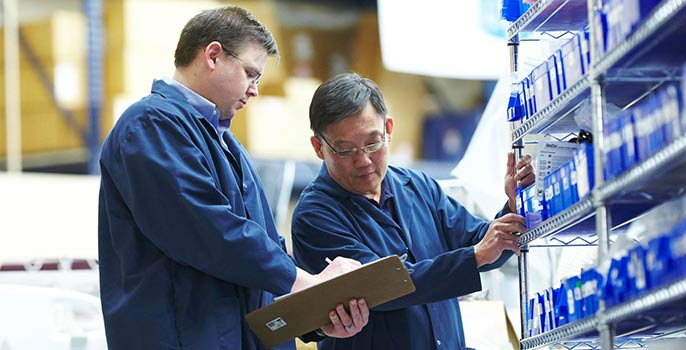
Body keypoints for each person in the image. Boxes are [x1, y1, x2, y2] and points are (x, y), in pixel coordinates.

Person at [98, 7, 369, 350]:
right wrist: (302, 282)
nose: (255, 90)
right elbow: (209, 232)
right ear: (213, 55)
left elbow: (264, 251)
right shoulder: (150, 125)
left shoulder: (229, 146)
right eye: (250, 74)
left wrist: (313, 319)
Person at [291, 72, 535, 350]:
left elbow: (483, 242)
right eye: (345, 150)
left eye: (373, 143)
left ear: (389, 130)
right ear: (319, 148)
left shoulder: (416, 186)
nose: (363, 160)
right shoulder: (315, 215)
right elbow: (383, 287)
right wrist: (474, 257)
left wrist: (514, 204)